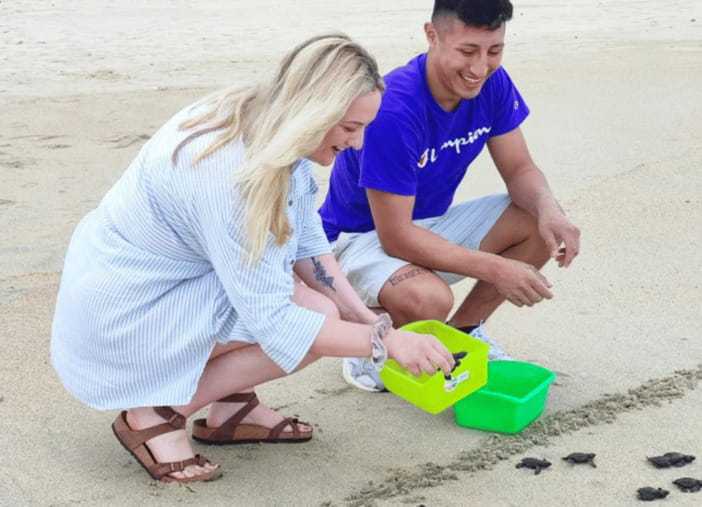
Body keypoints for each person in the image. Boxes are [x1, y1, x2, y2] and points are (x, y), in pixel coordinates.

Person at [50, 34, 455, 483]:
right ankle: (156, 414)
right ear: (314, 112)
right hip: (121, 315)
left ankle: (231, 407)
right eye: (348, 128)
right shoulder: (230, 177)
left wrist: (371, 323)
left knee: (315, 303)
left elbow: (307, 246)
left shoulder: (268, 126)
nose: (357, 144)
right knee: (311, 316)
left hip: (148, 284)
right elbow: (274, 320)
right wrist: (385, 345)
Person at [318, 0, 581, 392]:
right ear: (432, 35)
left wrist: (549, 208)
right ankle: (371, 345)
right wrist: (496, 268)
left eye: (494, 51)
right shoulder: (395, 108)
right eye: (467, 51)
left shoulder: (492, 82)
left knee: (536, 221)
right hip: (355, 241)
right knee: (429, 299)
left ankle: (464, 335)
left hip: (425, 223)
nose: (480, 68)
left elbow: (521, 170)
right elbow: (396, 237)